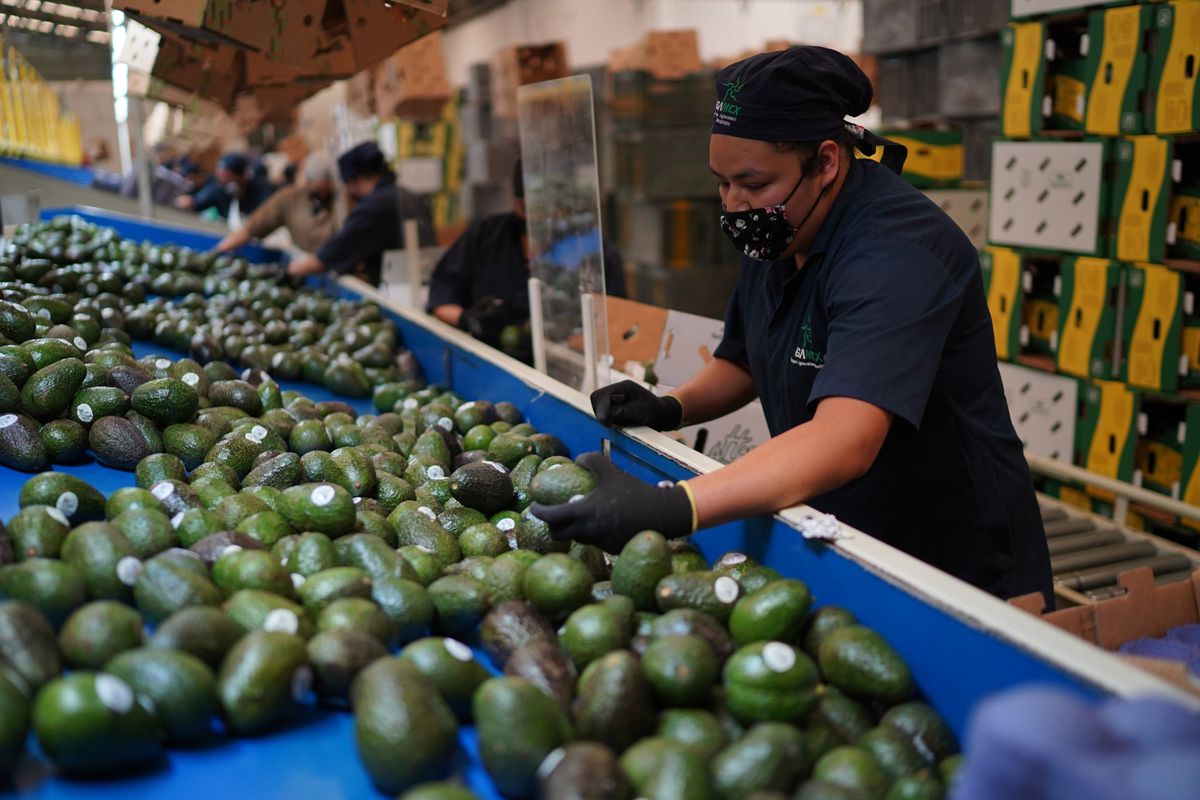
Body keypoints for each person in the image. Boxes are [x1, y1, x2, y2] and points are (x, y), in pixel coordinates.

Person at [531, 46, 1054, 606]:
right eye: (722, 183)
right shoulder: (782, 228)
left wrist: (676, 505)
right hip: (842, 528)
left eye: (753, 185)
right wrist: (670, 407)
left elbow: (843, 439)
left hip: (949, 562)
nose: (734, 205)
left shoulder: (898, 254)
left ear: (826, 162)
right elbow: (746, 358)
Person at [427, 160, 627, 344]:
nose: (554, 218)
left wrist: (566, 345)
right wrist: (466, 319)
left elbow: (617, 324)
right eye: (543, 210)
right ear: (520, 207)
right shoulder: (485, 235)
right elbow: (441, 293)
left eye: (561, 209)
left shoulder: (594, 252)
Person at [287, 141, 435, 285]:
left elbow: (332, 255)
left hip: (401, 291)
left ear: (355, 181)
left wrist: (294, 269)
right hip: (427, 281)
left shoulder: (373, 207)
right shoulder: (409, 195)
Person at [212, 154, 337, 256]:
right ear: (308, 180)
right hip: (303, 260)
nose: (322, 193)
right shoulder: (289, 198)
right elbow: (252, 228)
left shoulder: (340, 203)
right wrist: (217, 252)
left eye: (327, 189)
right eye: (317, 189)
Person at [175, 152, 275, 218]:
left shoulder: (262, 190)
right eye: (220, 176)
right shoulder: (218, 190)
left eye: (229, 177)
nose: (224, 181)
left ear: (243, 176)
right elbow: (195, 202)